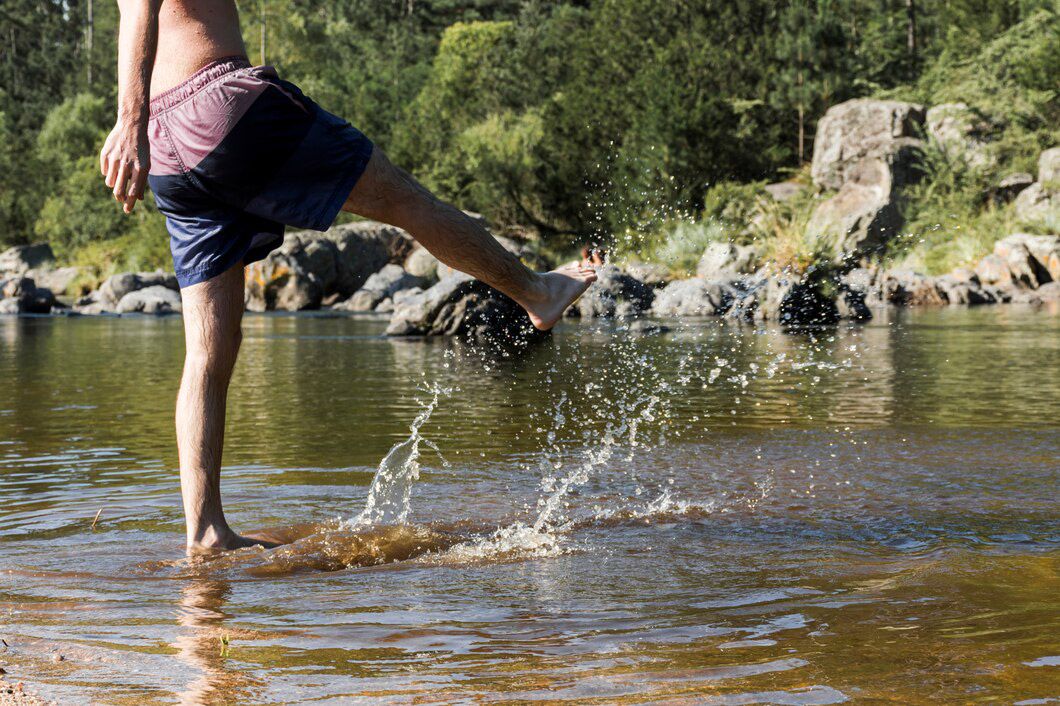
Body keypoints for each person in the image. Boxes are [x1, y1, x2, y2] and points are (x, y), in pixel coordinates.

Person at [99, 0, 598, 554]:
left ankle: (206, 530)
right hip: (218, 104)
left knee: (206, 355)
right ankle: (538, 292)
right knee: (408, 201)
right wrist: (127, 120)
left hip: (168, 144)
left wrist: (139, 122)